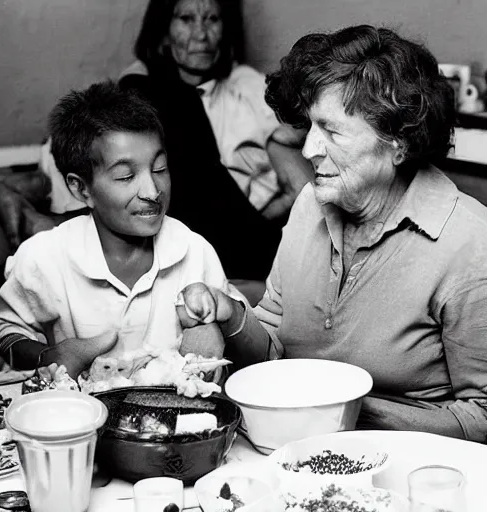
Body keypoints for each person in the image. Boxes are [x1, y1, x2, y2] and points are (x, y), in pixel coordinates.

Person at [174, 25, 487, 442]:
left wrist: (348, 409)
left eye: (332, 131)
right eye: (310, 128)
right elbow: (275, 348)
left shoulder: (468, 244)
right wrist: (231, 313)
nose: (308, 150)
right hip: (293, 447)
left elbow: (481, 415)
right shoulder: (311, 204)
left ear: (398, 143)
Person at [0, 0, 312, 302]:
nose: (200, 33)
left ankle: (58, 225)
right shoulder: (147, 86)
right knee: (1, 284)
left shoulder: (247, 86)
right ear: (164, 30)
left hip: (236, 233)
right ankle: (60, 226)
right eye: (186, 18)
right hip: (166, 216)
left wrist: (256, 212)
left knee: (148, 95)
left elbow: (299, 188)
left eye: (212, 19)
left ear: (227, 29)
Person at [0, 81, 240, 379]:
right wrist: (50, 356)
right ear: (81, 189)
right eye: (126, 176)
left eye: (159, 169)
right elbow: (3, 331)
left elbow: (239, 336)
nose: (152, 191)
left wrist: (212, 328)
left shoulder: (193, 251)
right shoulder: (45, 256)